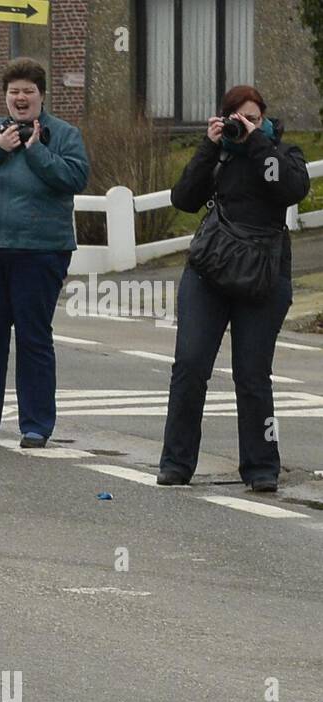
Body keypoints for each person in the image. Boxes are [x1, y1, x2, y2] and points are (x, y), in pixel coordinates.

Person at [158, 86, 309, 492]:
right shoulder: (219, 153)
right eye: (239, 118)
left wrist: (257, 142)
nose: (246, 125)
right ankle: (176, 463)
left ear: (265, 120)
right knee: (189, 366)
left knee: (253, 374)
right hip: (210, 272)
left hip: (264, 275)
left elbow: (292, 189)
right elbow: (184, 199)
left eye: (254, 118)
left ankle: (262, 467)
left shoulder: (281, 153)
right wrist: (209, 148)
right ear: (223, 118)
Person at [0, 58, 88, 448]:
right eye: (14, 91)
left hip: (41, 250)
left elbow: (75, 178)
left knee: (33, 337)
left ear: (41, 95)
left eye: (28, 91)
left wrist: (36, 152)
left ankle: (35, 424)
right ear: (6, 96)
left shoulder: (63, 135)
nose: (20, 98)